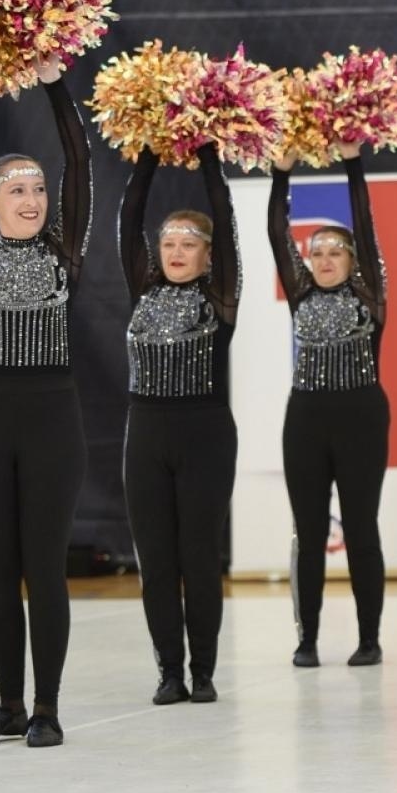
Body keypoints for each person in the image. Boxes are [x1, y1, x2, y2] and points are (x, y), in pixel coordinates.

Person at [0, 56, 90, 749]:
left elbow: (79, 157)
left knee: (44, 566)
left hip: (51, 419)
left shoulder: (66, 252)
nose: (31, 198)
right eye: (15, 189)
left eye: (37, 188)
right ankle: (6, 702)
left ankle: (48, 707)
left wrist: (53, 72)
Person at [119, 144, 240, 706]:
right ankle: (168, 669)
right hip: (146, 433)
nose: (174, 252)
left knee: (199, 557)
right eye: (168, 244)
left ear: (207, 256)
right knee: (157, 560)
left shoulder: (219, 297)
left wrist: (210, 153)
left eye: (188, 245)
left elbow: (227, 220)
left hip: (205, 435)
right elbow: (129, 218)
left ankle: (204, 672)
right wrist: (146, 150)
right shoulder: (143, 288)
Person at [268, 145, 390, 669]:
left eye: (334, 253)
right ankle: (308, 638)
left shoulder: (369, 295)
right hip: (306, 419)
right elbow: (278, 234)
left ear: (352, 260)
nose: (322, 261)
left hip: (361, 415)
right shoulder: (300, 293)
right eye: (315, 253)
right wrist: (281, 174)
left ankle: (368, 639)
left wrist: (353, 163)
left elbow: (364, 222)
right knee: (309, 530)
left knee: (361, 527)